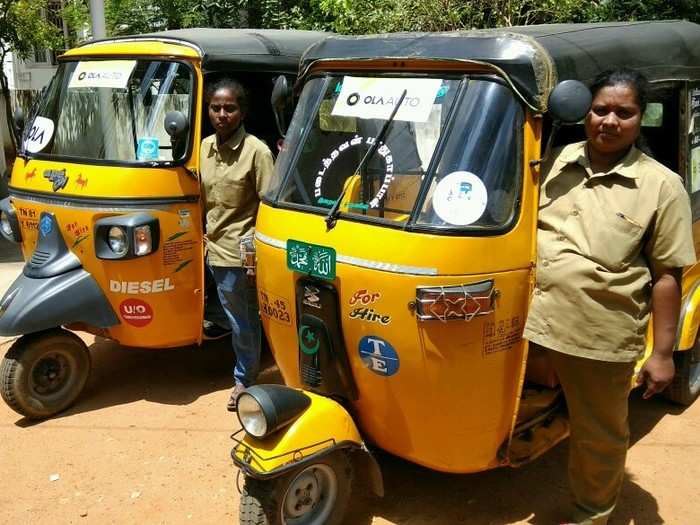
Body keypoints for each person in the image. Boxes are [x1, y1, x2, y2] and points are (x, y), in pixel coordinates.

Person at [524, 68, 695, 525]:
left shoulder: (660, 186)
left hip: (597, 331)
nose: (610, 121)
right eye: (601, 109)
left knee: (598, 434)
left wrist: (662, 354)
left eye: (625, 112)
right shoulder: (554, 160)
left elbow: (666, 277)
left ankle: (589, 514)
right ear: (586, 111)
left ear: (642, 118)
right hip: (527, 320)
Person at [200, 78, 274, 411]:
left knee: (242, 320)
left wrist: (255, 250)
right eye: (216, 107)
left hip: (236, 253)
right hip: (207, 248)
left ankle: (245, 377)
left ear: (242, 112)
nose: (221, 114)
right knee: (228, 315)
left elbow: (269, 207)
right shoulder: (202, 148)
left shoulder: (256, 151)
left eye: (229, 108)